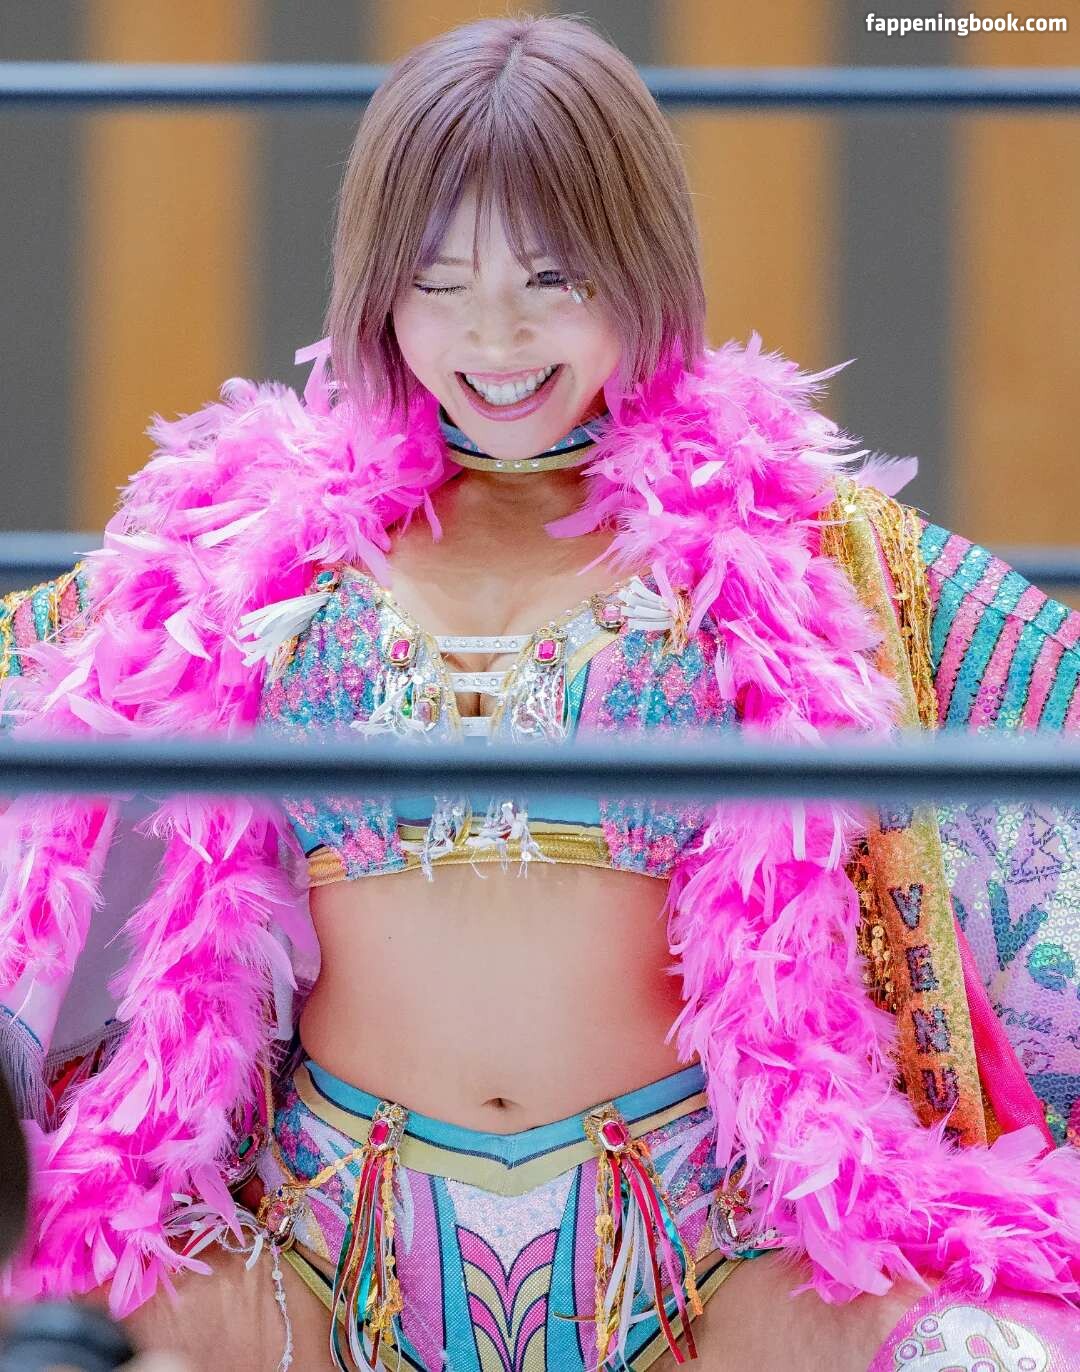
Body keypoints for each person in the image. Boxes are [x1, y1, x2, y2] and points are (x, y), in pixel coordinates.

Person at [1, 15, 1078, 1372]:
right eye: (439, 283)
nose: (494, 334)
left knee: (985, 1358)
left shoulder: (812, 541)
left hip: (708, 1247)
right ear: (377, 289)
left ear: (642, 263)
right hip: (316, 1248)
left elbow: (1043, 700)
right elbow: (41, 727)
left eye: (552, 277)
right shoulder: (239, 545)